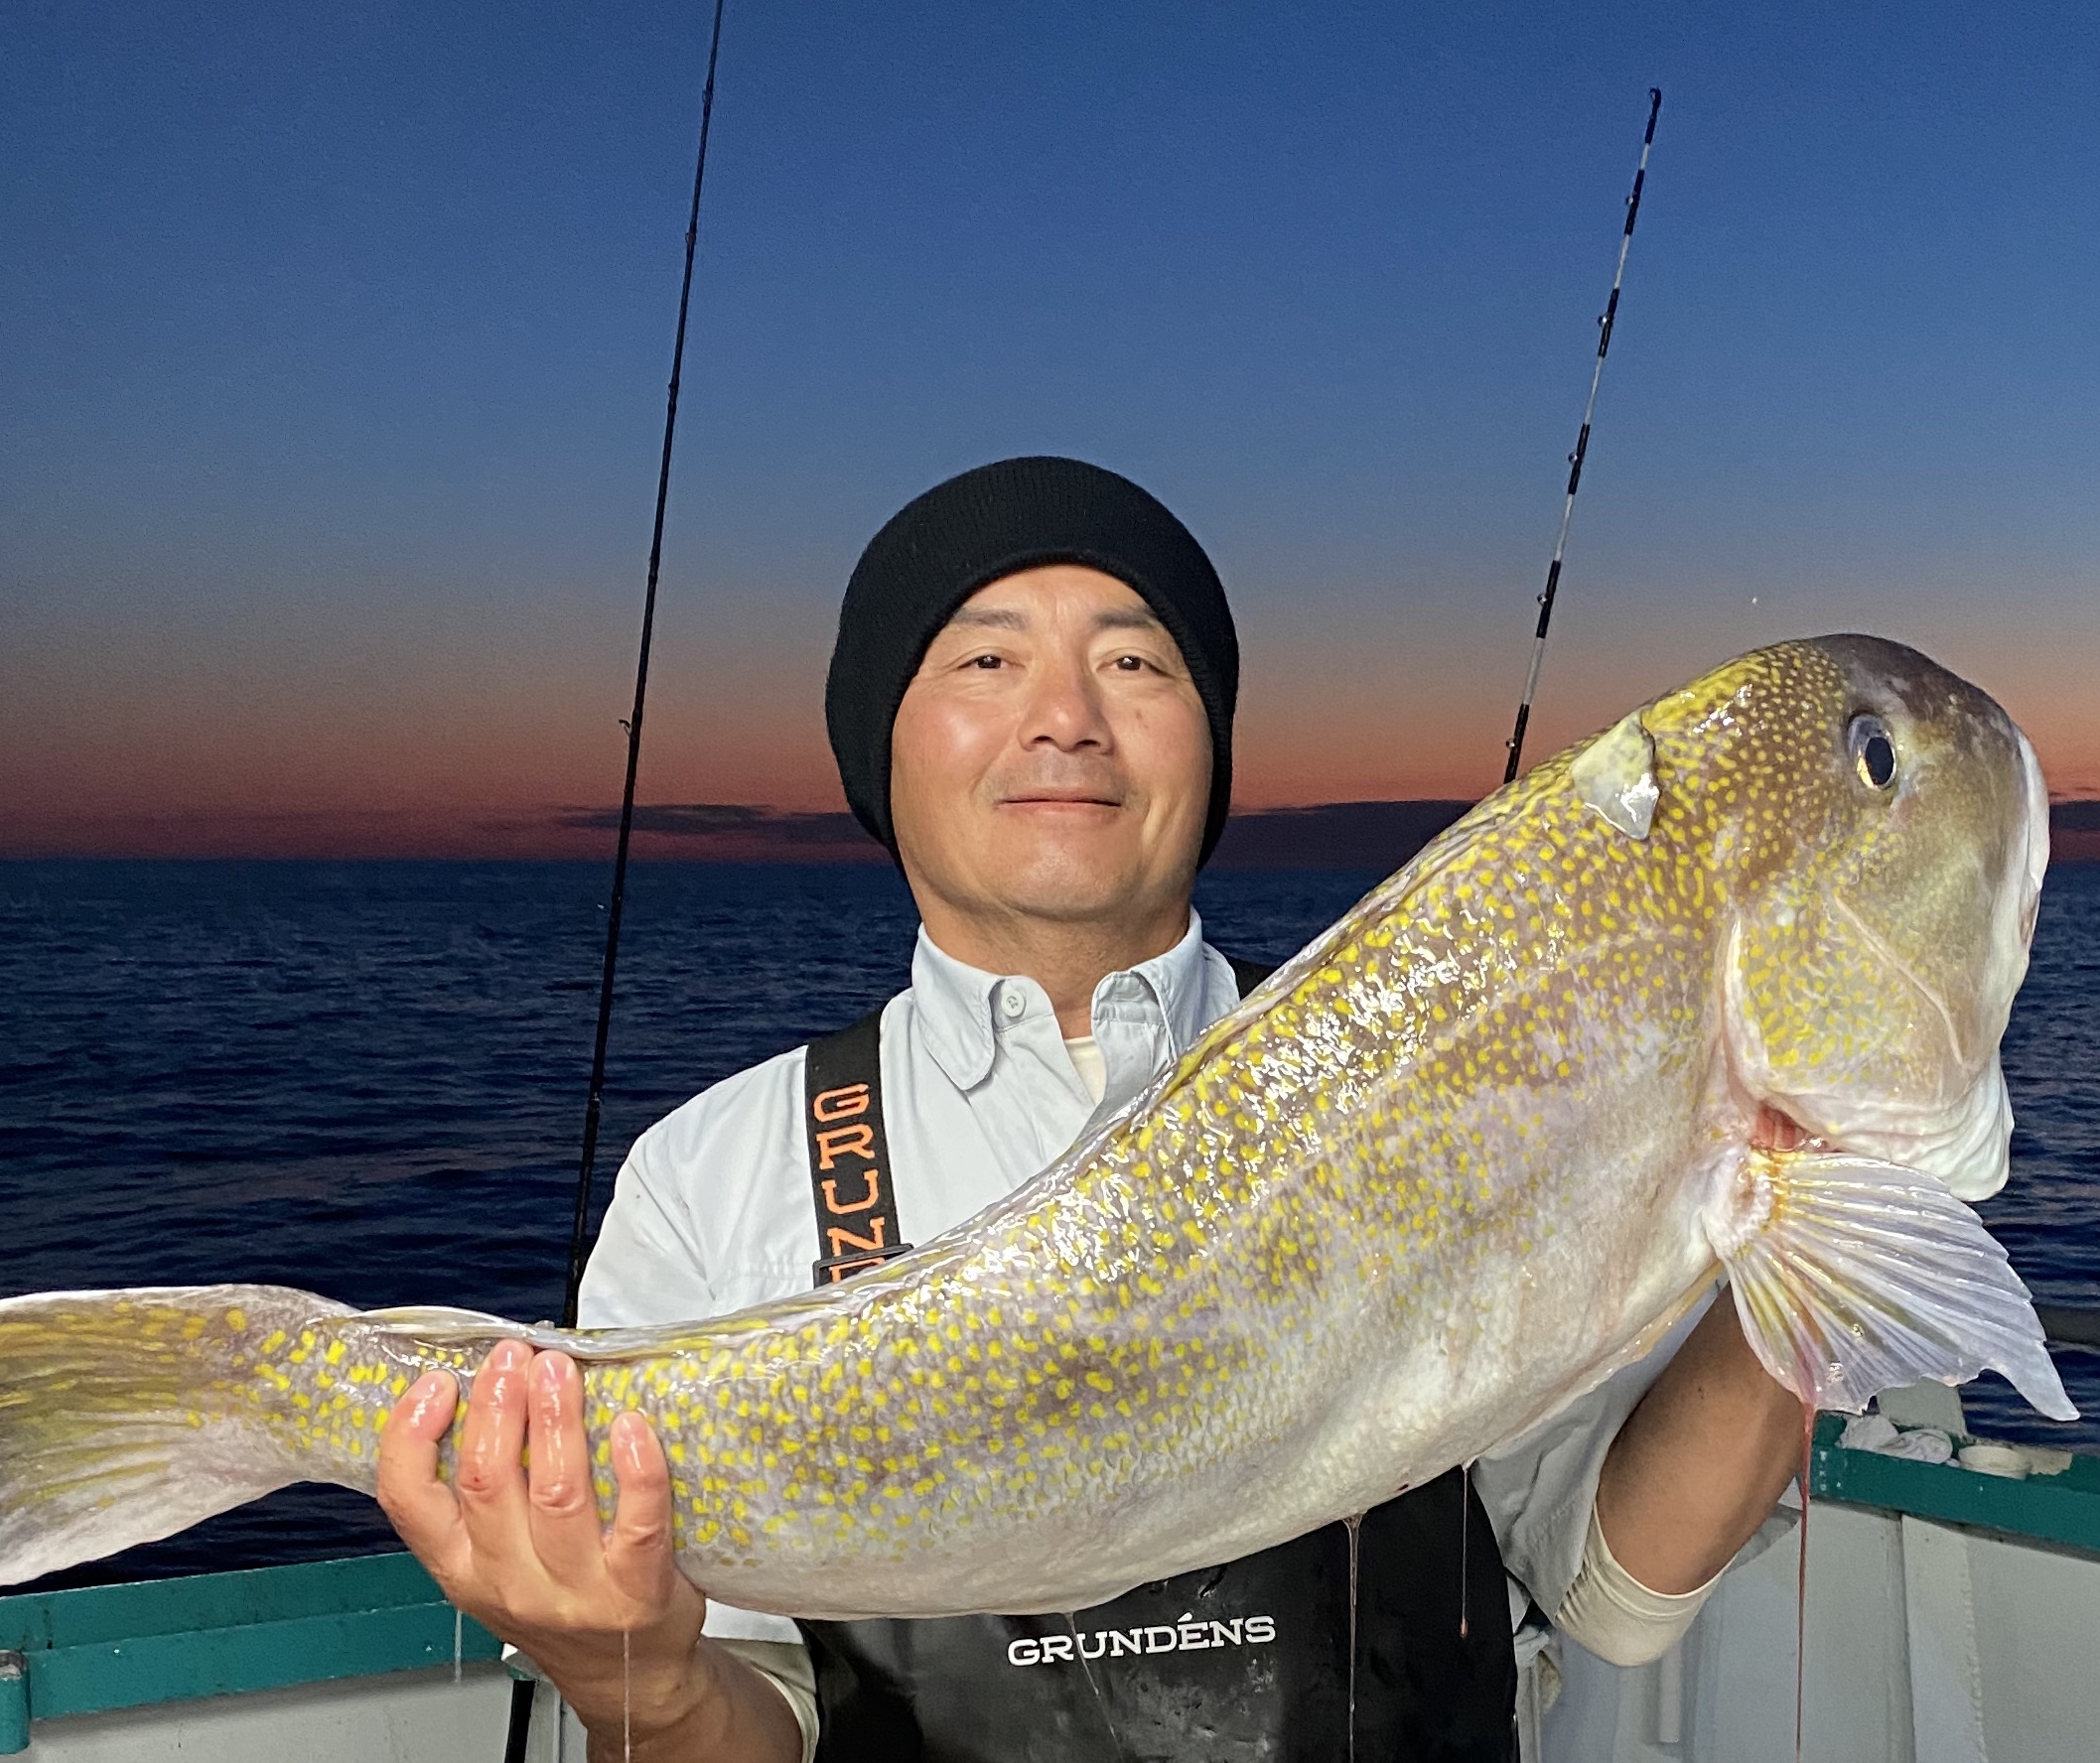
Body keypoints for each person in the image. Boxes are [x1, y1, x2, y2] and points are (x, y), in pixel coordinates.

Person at [376, 457, 1808, 1761]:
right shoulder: (713, 1175)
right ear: (881, 746)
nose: (1066, 720)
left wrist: (1817, 1231)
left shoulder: (1455, 1089)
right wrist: (636, 1681)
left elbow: (1615, 1584)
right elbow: (744, 1734)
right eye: (985, 659)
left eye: (1134, 662)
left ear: (1211, 744)